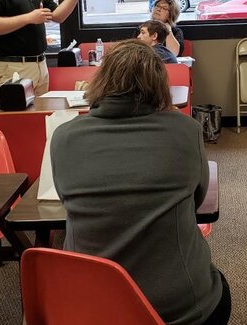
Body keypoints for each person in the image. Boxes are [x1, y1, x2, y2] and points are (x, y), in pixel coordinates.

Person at [50, 40, 231, 324]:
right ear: (159, 83)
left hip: (92, 307)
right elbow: (196, 199)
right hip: (179, 309)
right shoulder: (186, 131)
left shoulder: (63, 136)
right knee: (218, 286)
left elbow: (66, 202)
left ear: (101, 79)